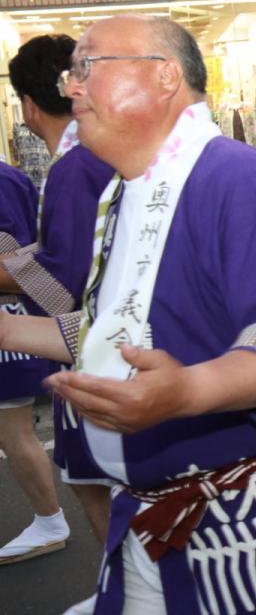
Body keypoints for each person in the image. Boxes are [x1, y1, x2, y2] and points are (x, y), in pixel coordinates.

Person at [0, 15, 256, 612]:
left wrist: (187, 391)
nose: (72, 87)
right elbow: (121, 329)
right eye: (71, 73)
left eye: (87, 66)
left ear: (165, 75)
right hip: (154, 525)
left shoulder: (239, 178)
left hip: (250, 535)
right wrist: (7, 329)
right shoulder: (126, 190)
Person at [0, 35, 115, 593]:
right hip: (102, 340)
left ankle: (128, 594)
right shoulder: (96, 156)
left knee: (97, 477)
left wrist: (14, 276)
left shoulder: (75, 165)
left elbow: (62, 282)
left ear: (27, 105)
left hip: (98, 349)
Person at [0, 158, 70, 567]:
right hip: (19, 319)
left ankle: (50, 521)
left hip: (13, 320)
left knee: (13, 429)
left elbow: (17, 260)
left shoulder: (3, 180)